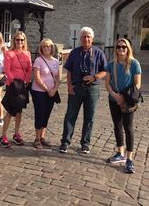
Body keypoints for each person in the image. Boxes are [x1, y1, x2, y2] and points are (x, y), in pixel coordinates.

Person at [59, 27, 107, 154]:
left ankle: (85, 143)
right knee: (70, 115)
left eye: (88, 37)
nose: (86, 39)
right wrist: (69, 86)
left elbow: (104, 71)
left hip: (93, 89)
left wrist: (94, 77)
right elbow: (68, 70)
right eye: (84, 36)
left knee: (89, 117)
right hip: (76, 87)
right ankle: (65, 142)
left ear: (92, 39)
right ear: (80, 38)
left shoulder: (99, 53)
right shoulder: (75, 52)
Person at [105, 38, 142, 174]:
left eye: (123, 47)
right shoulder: (111, 64)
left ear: (128, 49)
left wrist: (126, 98)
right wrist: (115, 96)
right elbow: (107, 83)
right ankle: (120, 152)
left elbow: (137, 84)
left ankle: (129, 158)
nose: (121, 49)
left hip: (128, 100)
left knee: (128, 128)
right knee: (117, 125)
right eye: (119, 47)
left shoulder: (134, 64)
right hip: (114, 99)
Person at [0, 31, 32, 148]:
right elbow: (7, 69)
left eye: (22, 40)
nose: (20, 42)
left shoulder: (27, 53)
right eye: (17, 40)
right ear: (14, 41)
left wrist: (25, 81)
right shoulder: (9, 53)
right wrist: (14, 81)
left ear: (24, 41)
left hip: (22, 85)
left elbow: (29, 69)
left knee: (19, 111)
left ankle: (16, 133)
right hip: (12, 85)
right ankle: (3, 135)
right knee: (10, 110)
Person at [31, 38, 60, 149]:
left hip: (51, 92)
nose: (46, 48)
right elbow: (37, 78)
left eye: (48, 46)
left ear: (52, 47)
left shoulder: (56, 61)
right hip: (39, 91)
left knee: (46, 114)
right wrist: (47, 89)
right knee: (40, 113)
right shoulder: (39, 60)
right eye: (44, 46)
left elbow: (57, 78)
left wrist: (54, 89)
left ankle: (42, 137)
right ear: (41, 48)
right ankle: (37, 139)